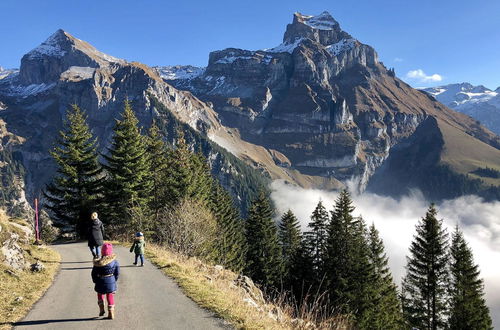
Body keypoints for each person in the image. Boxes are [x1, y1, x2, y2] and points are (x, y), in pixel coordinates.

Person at [91, 242, 119, 319]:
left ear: (102, 252)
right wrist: (114, 280)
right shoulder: (115, 262)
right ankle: (111, 312)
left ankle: (101, 308)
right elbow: (117, 273)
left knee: (100, 294)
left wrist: (95, 280)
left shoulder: (97, 263)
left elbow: (93, 273)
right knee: (110, 296)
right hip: (110, 281)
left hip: (100, 281)